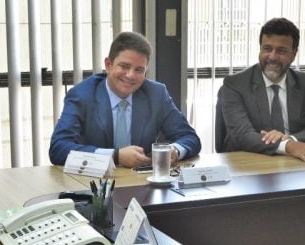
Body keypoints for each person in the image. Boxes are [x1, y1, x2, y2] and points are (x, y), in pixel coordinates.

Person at [49, 31, 201, 167]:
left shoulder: (156, 94)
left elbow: (189, 138)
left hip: (141, 183)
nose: (130, 75)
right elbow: (58, 148)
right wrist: (115, 156)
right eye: (124, 66)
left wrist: (174, 150)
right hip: (94, 183)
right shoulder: (82, 95)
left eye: (139, 70)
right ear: (108, 65)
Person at [218, 17, 305, 163]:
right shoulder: (235, 84)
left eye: (281, 51)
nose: (272, 57)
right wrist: (287, 146)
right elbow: (242, 136)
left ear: (294, 54)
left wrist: (291, 139)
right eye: (267, 49)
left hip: (294, 163)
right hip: (249, 164)